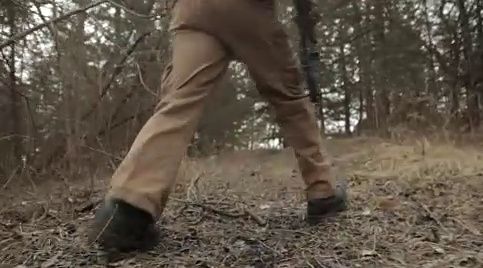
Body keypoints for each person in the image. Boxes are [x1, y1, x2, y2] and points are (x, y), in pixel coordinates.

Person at [89, 0, 348, 254]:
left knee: (177, 104)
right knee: (289, 98)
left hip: (193, 9)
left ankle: (127, 211)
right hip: (246, 9)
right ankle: (321, 190)